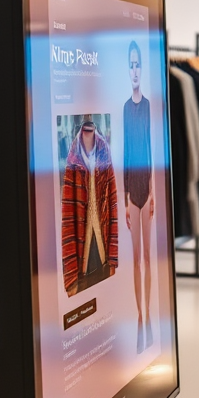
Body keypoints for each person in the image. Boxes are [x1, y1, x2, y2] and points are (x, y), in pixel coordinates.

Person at [61, 116, 119, 298]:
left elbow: (113, 205)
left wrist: (113, 256)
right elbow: (68, 215)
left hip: (103, 247)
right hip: (81, 252)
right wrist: (70, 271)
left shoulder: (105, 153)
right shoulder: (73, 159)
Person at [123, 40, 154, 355]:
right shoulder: (124, 107)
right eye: (130, 65)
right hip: (132, 189)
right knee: (135, 260)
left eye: (137, 65)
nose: (134, 70)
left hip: (147, 185)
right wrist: (123, 198)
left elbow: (148, 147)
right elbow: (126, 152)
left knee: (147, 257)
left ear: (142, 69)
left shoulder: (146, 105)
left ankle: (148, 320)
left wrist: (154, 193)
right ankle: (140, 319)